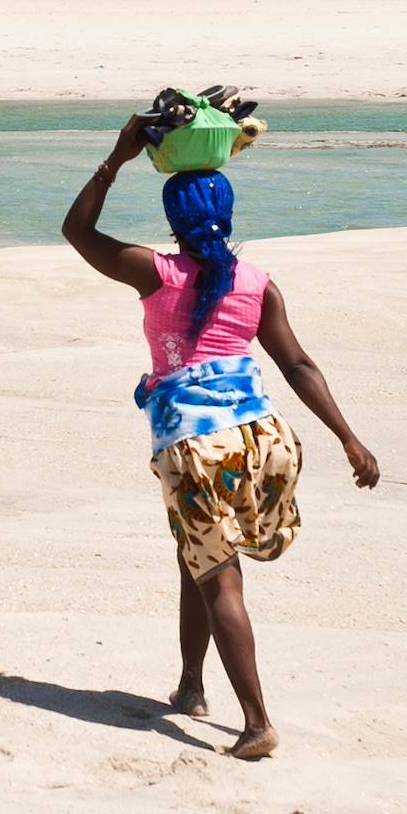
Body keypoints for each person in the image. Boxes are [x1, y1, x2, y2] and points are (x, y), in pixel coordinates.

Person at [62, 114, 379, 760]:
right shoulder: (257, 283)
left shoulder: (157, 272)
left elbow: (76, 230)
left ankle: (258, 721)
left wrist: (117, 157)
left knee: (220, 578)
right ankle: (189, 684)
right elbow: (298, 365)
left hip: (196, 448)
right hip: (265, 442)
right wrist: (349, 437)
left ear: (174, 220)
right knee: (197, 552)